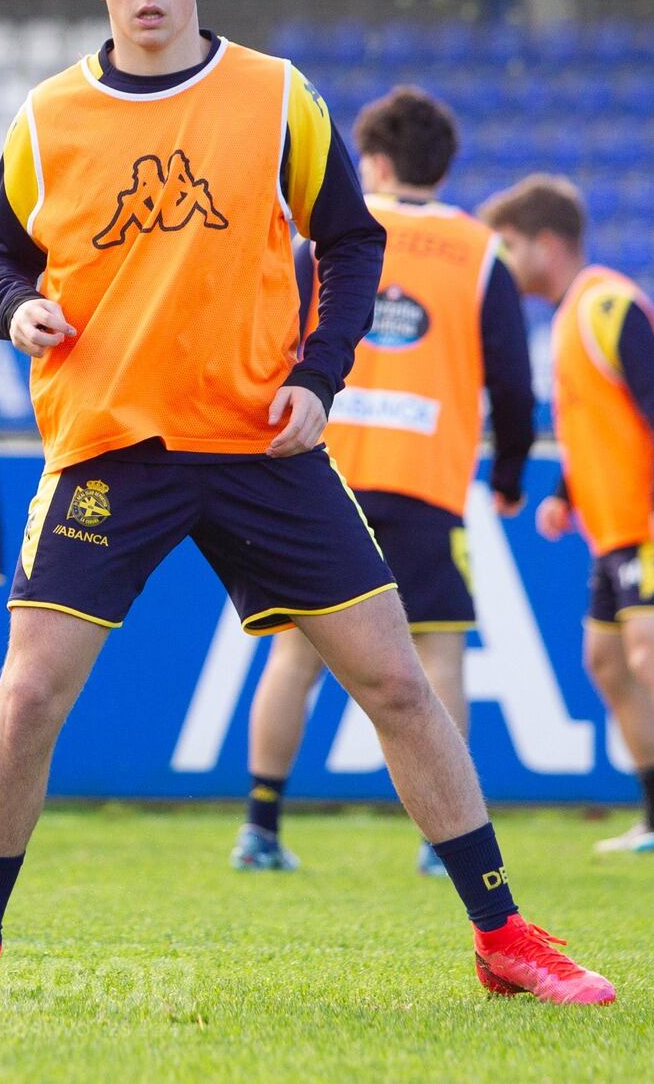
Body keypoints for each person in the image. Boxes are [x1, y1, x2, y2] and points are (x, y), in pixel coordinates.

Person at [0, 0, 614, 1004]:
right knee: (29, 695)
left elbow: (350, 241)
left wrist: (319, 377)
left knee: (392, 680)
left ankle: (503, 936)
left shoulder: (275, 94)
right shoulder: (46, 117)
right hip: (107, 446)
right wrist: (11, 308)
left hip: (258, 445)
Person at [234, 86, 536, 878]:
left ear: (370, 161)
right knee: (437, 661)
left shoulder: (327, 239)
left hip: (320, 475)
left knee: (296, 657)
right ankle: (446, 842)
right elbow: (512, 380)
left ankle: (260, 826)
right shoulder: (479, 253)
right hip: (425, 483)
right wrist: (508, 472)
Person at [477, 173, 654, 857]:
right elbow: (604, 425)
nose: (498, 261)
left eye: (507, 245)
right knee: (607, 661)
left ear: (547, 243)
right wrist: (566, 489)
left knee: (653, 654)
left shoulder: (607, 303)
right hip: (615, 525)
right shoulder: (570, 317)